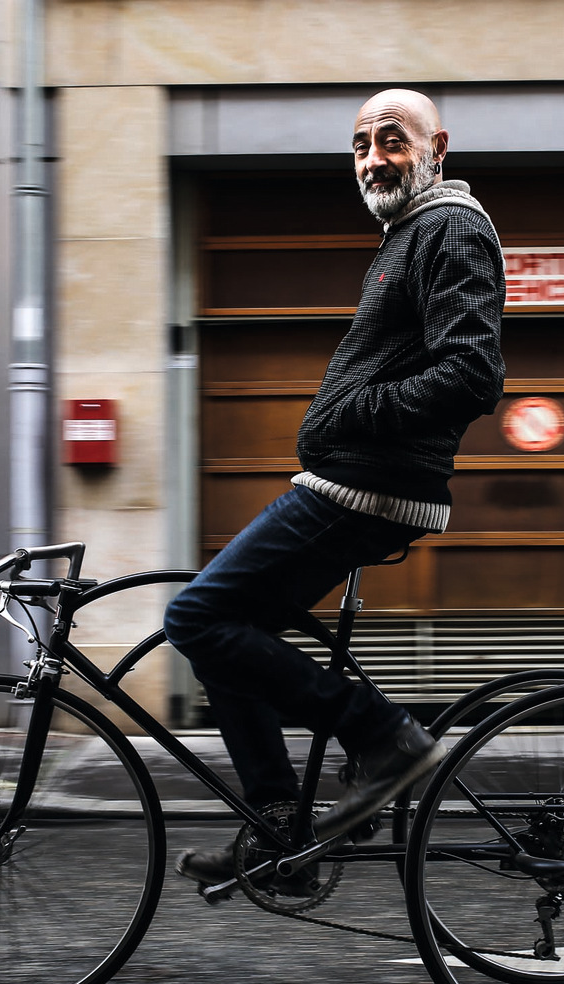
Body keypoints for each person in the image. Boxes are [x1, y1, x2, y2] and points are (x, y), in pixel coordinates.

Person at [164, 88, 506, 895]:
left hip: (368, 482)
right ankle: (281, 831)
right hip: (352, 475)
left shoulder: (452, 227)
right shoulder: (407, 234)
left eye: (392, 140)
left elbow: (472, 371)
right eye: (360, 144)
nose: (374, 157)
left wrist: (353, 414)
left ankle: (385, 737)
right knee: (231, 625)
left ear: (437, 147)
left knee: (196, 615)